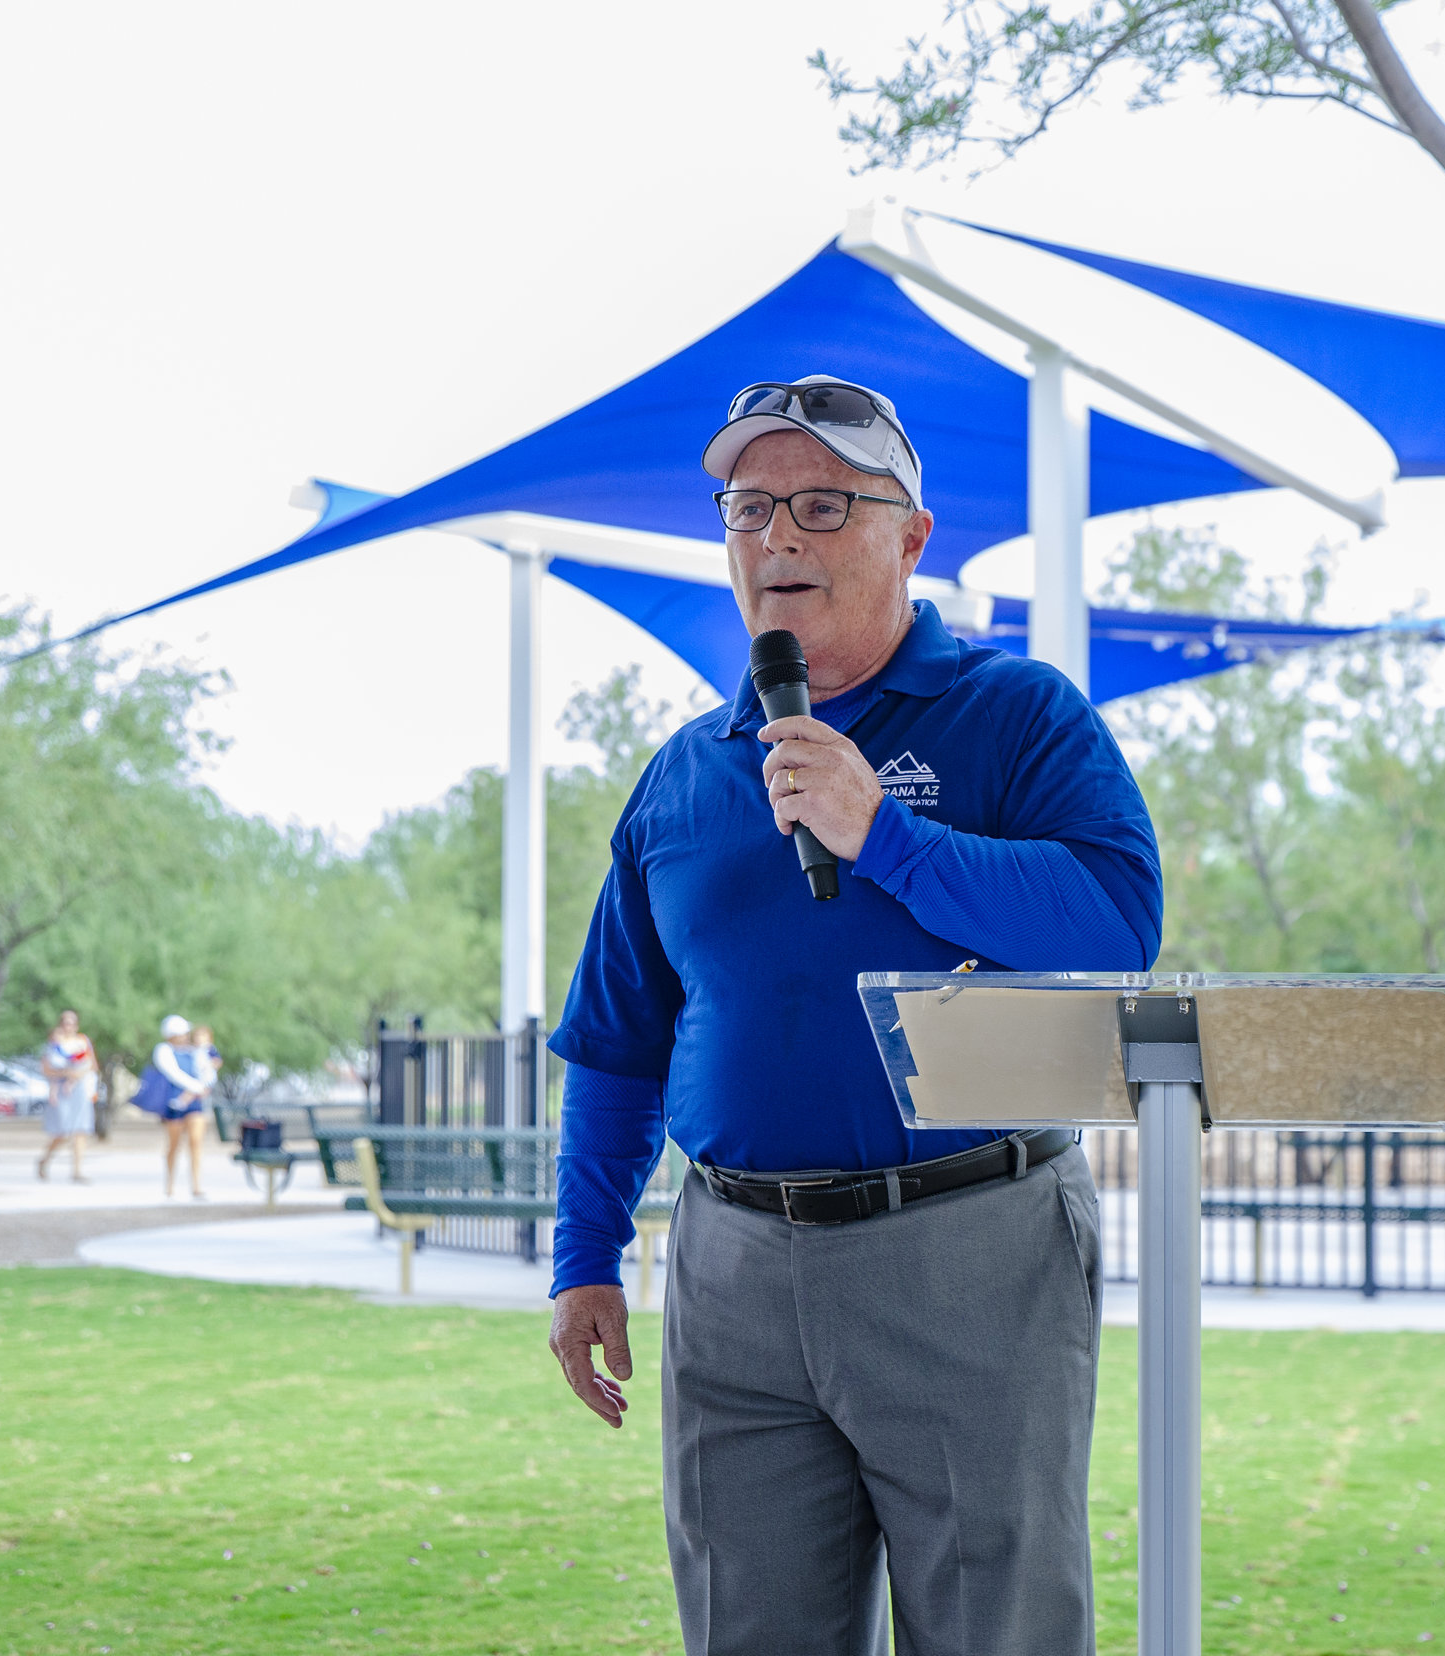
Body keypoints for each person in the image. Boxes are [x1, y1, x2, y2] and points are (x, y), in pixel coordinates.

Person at [545, 375, 1161, 1656]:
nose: (778, 538)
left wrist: (883, 835)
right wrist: (584, 1257)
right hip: (731, 1272)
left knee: (1000, 1629)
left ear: (911, 536)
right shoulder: (685, 772)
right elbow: (616, 1040)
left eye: (824, 505)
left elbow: (1112, 918)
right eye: (748, 506)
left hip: (969, 1244)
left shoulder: (1013, 713)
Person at [148, 1015, 211, 1199]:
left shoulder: (195, 1051)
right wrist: (197, 1088)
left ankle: (196, 1184)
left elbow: (206, 1071)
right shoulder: (163, 1050)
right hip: (173, 1103)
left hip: (195, 1103)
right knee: (174, 1144)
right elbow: (174, 1073)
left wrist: (200, 1088)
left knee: (196, 1141)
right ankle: (170, 1183)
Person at [36, 1010, 98, 1184]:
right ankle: (45, 1159)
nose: (68, 1026)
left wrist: (79, 1073)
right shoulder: (54, 1044)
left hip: (80, 1089)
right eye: (65, 1023)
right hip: (62, 1090)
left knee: (80, 1130)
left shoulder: (82, 1042)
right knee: (62, 1132)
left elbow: (92, 1064)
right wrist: (65, 1072)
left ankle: (77, 1171)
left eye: (72, 1023)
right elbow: (46, 1068)